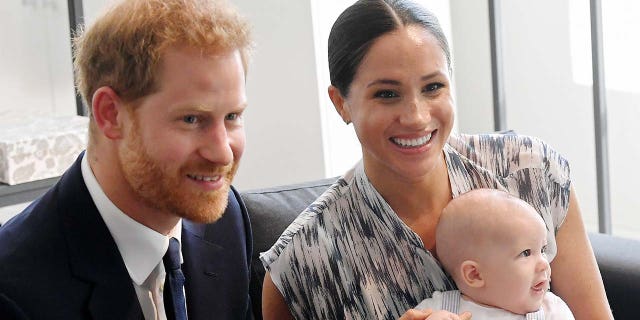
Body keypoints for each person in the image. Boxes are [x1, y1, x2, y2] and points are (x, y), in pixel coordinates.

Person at [260, 0, 612, 319]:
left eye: (433, 87)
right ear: (341, 103)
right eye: (387, 94)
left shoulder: (530, 172)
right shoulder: (303, 263)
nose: (416, 116)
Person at [0, 0, 253, 319]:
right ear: (110, 114)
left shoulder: (226, 221)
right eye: (191, 119)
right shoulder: (13, 294)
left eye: (232, 116)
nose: (223, 153)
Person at [415, 188, 575, 319]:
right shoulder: (437, 309)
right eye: (526, 253)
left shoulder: (552, 312)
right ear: (475, 274)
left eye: (542, 250)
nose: (544, 264)